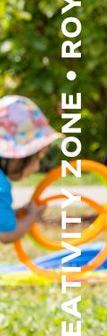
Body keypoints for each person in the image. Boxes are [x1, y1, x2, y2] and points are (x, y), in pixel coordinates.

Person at [0, 95, 57, 244]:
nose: (38, 166)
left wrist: (17, 213)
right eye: (37, 157)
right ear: (19, 156)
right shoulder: (1, 187)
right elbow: (6, 235)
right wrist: (32, 216)